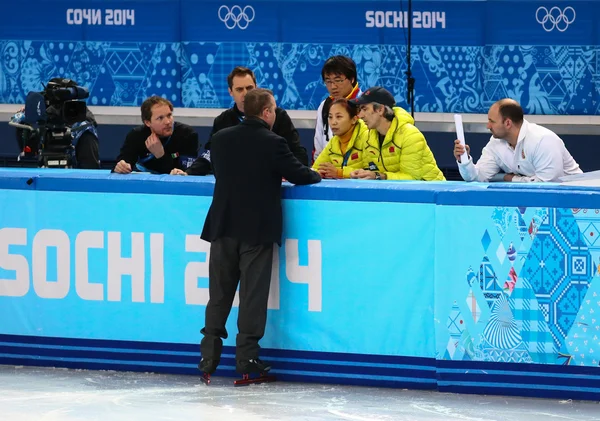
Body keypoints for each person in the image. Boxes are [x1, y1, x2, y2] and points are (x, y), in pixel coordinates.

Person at [198, 88, 321, 378]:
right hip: (255, 230)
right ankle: (247, 360)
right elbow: (300, 174)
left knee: (219, 295)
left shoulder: (220, 138)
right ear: (266, 112)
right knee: (252, 297)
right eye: (274, 109)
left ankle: (208, 358)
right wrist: (319, 174)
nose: (276, 113)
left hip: (223, 226)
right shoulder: (273, 142)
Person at [176, 67, 307, 176]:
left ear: (256, 88)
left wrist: (289, 174)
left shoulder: (278, 116)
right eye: (239, 89)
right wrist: (188, 173)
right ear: (230, 92)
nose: (245, 94)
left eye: (249, 88)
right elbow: (210, 155)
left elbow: (298, 153)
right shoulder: (222, 121)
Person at [453, 98, 582, 182]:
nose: (488, 126)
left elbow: (548, 186)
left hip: (579, 202)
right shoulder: (495, 143)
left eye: (491, 121)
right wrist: (464, 160)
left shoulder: (543, 140)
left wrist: (513, 179)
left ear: (508, 123)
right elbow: (477, 178)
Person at [350, 87, 445, 181]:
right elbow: (371, 169)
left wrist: (379, 176)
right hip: (395, 193)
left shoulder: (410, 135)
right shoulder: (367, 137)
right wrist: (363, 173)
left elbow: (411, 179)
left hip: (430, 192)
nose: (360, 115)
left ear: (380, 110)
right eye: (359, 110)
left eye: (365, 109)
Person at [113, 96, 198, 174]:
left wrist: (161, 155)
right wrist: (121, 167)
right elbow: (121, 164)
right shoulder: (136, 135)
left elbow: (186, 172)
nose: (168, 122)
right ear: (148, 122)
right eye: (160, 118)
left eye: (169, 115)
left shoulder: (187, 135)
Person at [313, 56, 362, 162]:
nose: (333, 86)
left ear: (352, 79)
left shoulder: (365, 106)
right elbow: (318, 148)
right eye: (328, 81)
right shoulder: (324, 106)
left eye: (338, 80)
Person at [312, 98, 368, 179]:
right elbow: (316, 168)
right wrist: (320, 173)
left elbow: (371, 171)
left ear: (354, 119)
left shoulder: (367, 138)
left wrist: (339, 173)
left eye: (339, 117)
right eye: (330, 117)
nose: (333, 122)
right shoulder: (333, 143)